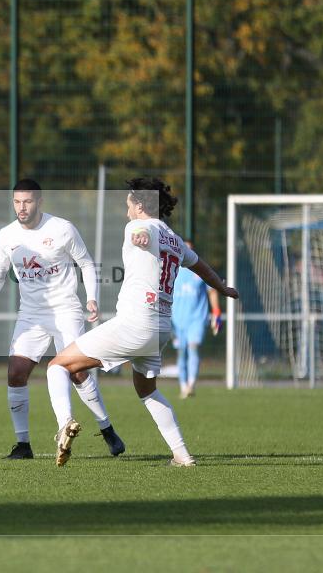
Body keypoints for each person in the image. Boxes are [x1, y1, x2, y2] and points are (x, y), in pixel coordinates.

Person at [45, 177, 238, 467]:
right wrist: (223, 288)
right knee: (147, 390)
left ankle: (64, 424)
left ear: (139, 206)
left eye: (128, 206)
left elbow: (141, 232)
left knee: (57, 366)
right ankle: (182, 455)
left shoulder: (138, 226)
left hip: (135, 323)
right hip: (160, 329)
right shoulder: (175, 240)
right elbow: (202, 267)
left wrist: (140, 236)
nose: (127, 212)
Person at [0, 179, 124, 463]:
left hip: (66, 311)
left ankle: (106, 428)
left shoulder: (62, 228)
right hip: (31, 314)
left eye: (27, 201)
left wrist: (92, 298)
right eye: (17, 202)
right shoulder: (6, 236)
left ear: (39, 202)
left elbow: (86, 263)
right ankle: (23, 445)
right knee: (16, 373)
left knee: (77, 372)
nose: (21, 207)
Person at [171, 242, 222, 398]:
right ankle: (183, 386)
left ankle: (191, 385)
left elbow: (212, 291)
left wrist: (216, 311)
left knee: (194, 347)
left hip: (197, 319)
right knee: (181, 353)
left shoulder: (200, 270)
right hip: (177, 320)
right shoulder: (173, 270)